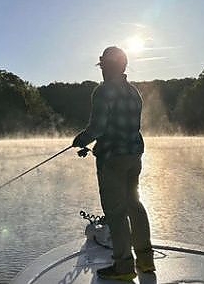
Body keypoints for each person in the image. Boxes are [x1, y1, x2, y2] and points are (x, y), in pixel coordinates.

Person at [72, 46, 155, 281]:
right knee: (135, 206)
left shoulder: (103, 92)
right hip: (134, 155)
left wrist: (80, 140)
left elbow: (98, 128)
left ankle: (124, 267)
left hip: (112, 159)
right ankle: (146, 262)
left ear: (107, 67)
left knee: (116, 213)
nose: (101, 71)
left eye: (103, 66)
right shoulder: (133, 92)